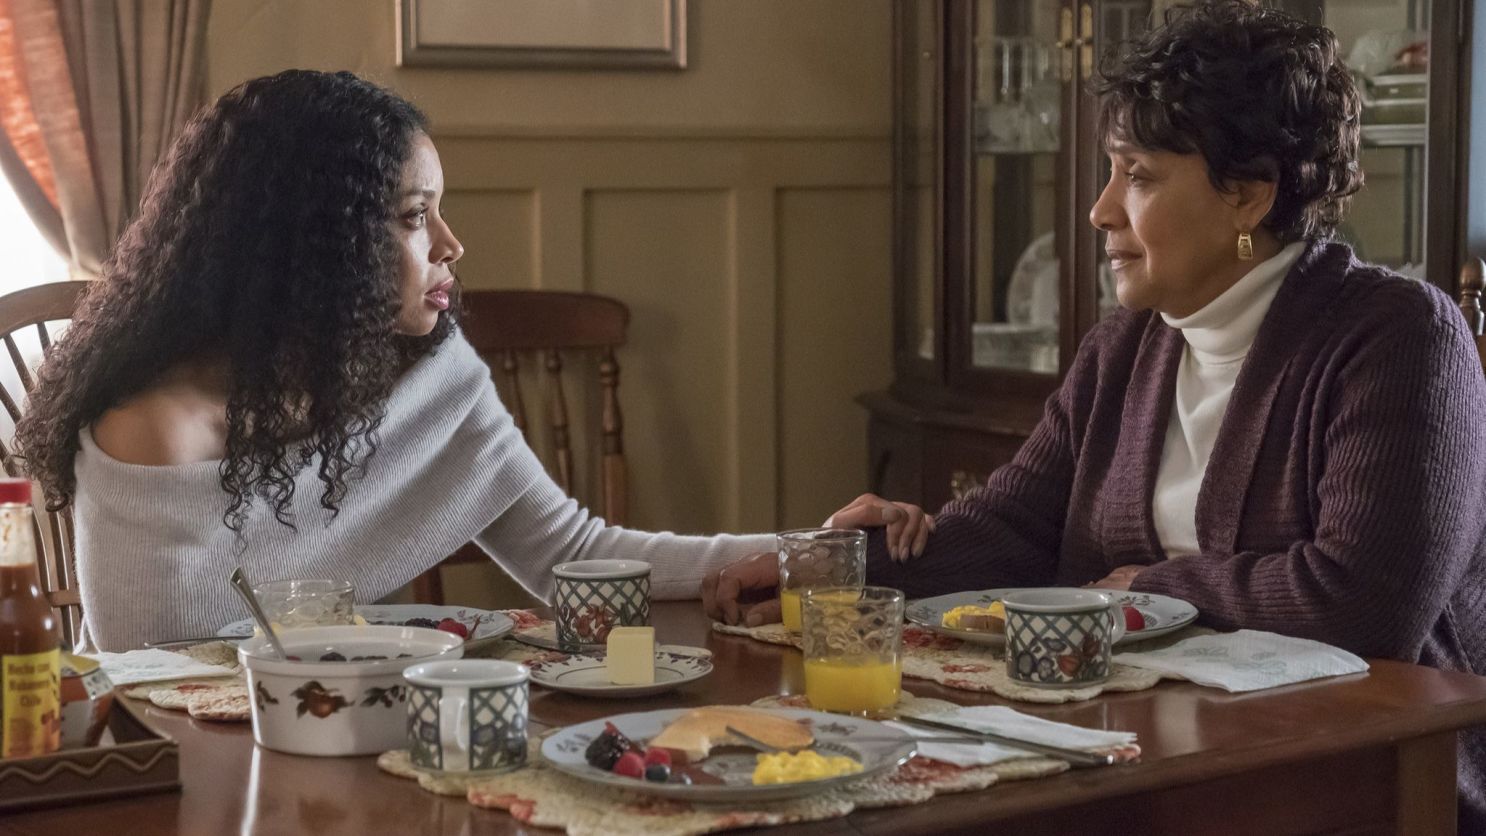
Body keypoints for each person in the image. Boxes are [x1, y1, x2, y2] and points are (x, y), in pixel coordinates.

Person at [703, 1, 1486, 828]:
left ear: (1248, 196)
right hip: (1147, 746)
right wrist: (834, 573)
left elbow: (1363, 602)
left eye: (1138, 176)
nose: (1100, 209)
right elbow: (1016, 526)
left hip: (1354, 774)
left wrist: (1146, 588)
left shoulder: (1399, 338)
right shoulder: (1125, 346)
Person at [13, 70, 774, 653]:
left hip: (338, 728)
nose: (451, 244)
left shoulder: (431, 373)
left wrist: (811, 551)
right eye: (414, 215)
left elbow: (573, 556)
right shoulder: (153, 428)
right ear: (316, 243)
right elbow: (150, 676)